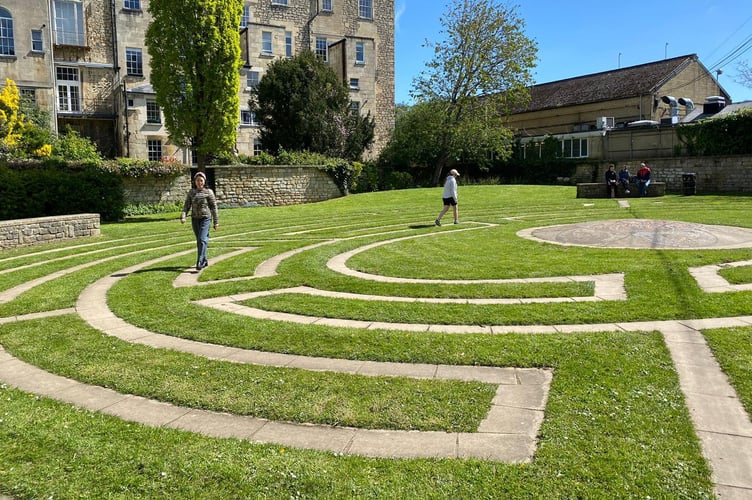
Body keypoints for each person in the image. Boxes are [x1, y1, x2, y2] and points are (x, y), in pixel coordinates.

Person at [181, 171, 219, 270]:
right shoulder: (191, 192)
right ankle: (205, 260)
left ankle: (199, 261)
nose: (199, 182)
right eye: (197, 180)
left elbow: (214, 207)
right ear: (195, 181)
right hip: (195, 219)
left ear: (204, 181)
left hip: (206, 218)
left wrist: (216, 221)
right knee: (200, 241)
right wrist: (183, 216)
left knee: (202, 239)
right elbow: (186, 205)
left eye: (201, 180)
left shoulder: (209, 192)